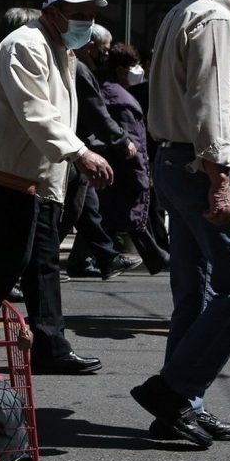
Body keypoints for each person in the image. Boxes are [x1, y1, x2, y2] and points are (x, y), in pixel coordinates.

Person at [134, 0, 230, 449]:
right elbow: (207, 104)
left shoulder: (185, 10)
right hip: (204, 167)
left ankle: (182, 405)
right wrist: (219, 177)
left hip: (178, 163)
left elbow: (202, 94)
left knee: (198, 293)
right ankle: (173, 390)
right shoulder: (214, 17)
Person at [0, 0, 113, 375]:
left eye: (90, 17)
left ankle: (50, 347)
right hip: (9, 171)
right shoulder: (25, 44)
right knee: (7, 263)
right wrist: (80, 153)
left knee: (42, 262)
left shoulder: (59, 46)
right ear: (51, 12)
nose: (86, 25)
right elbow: (35, 111)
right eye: (79, 16)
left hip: (36, 173)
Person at [61, 24, 143, 280]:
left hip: (76, 150)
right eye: (104, 51)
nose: (106, 56)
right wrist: (122, 142)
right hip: (75, 151)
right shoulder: (80, 70)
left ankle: (107, 258)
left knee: (87, 209)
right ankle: (35, 261)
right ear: (89, 47)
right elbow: (98, 114)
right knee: (73, 211)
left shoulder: (75, 66)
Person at [96, 43, 169, 274]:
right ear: (120, 70)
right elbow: (134, 143)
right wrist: (144, 175)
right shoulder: (121, 99)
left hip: (115, 170)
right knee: (131, 218)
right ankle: (156, 257)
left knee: (103, 217)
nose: (137, 70)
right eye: (132, 66)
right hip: (124, 169)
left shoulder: (115, 93)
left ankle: (89, 259)